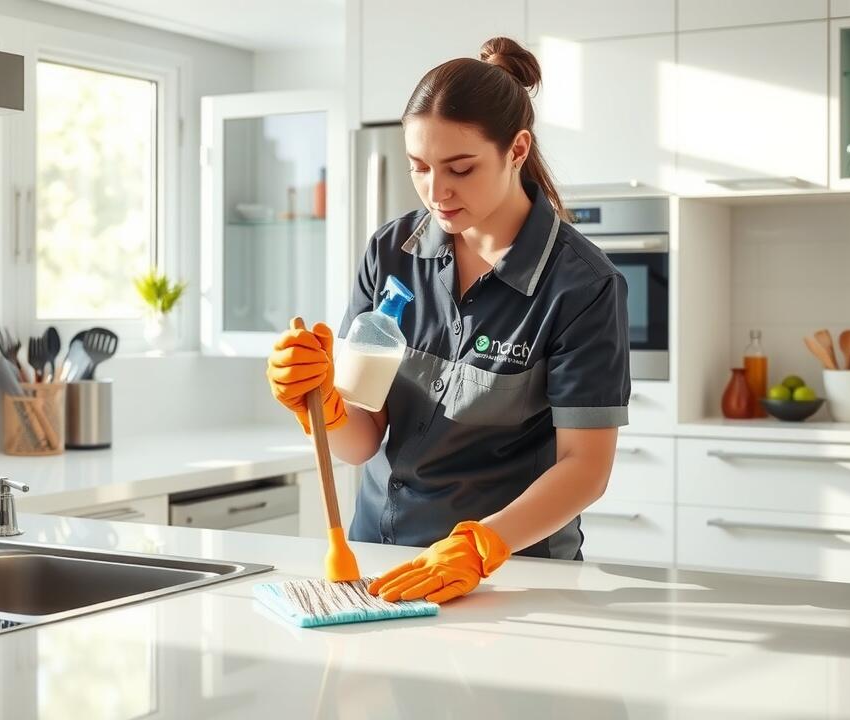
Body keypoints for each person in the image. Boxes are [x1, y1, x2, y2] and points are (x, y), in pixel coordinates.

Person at [266, 37, 630, 605]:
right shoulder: (391, 252)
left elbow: (586, 468)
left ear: (517, 149)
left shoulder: (581, 285)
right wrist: (318, 402)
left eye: (460, 168)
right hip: (379, 562)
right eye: (419, 167)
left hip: (514, 578)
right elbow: (360, 442)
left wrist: (481, 546)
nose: (437, 192)